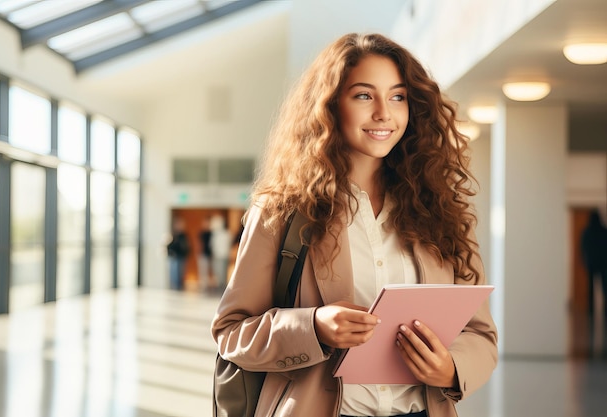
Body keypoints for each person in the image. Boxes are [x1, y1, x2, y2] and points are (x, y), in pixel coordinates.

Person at [211, 33, 498, 417]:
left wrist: (450, 368)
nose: (384, 113)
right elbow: (231, 331)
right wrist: (313, 326)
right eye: (364, 95)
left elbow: (480, 335)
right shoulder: (282, 208)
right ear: (329, 106)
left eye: (397, 96)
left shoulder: (441, 209)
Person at [581, 209, 607, 318]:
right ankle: (604, 309)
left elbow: (583, 248)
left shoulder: (587, 232)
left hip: (592, 262)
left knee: (591, 288)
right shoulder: (604, 231)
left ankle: (591, 309)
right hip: (603, 263)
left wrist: (585, 260)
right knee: (604, 287)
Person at [209, 214, 232, 292]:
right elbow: (213, 245)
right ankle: (219, 285)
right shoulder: (215, 234)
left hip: (223, 255)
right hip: (217, 255)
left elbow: (228, 244)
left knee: (222, 272)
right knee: (217, 271)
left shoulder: (226, 234)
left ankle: (222, 286)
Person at [166, 216, 190, 290]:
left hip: (182, 256)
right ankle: (175, 286)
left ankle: (180, 286)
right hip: (175, 257)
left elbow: (187, 246)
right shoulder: (173, 235)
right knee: (174, 273)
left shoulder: (184, 235)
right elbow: (169, 245)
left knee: (181, 272)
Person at [198, 216, 214, 292]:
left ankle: (209, 285)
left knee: (209, 270)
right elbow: (198, 244)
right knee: (203, 270)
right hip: (202, 254)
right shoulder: (201, 233)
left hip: (210, 254)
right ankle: (203, 284)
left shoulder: (212, 233)